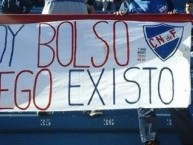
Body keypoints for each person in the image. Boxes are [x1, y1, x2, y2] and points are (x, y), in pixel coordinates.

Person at [115, 0, 193, 145]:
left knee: (176, 100)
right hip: (141, 59)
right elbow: (120, 28)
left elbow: (175, 24)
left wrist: (173, 16)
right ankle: (150, 141)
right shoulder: (128, 3)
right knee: (145, 99)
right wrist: (119, 17)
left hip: (165, 58)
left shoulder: (165, 1)